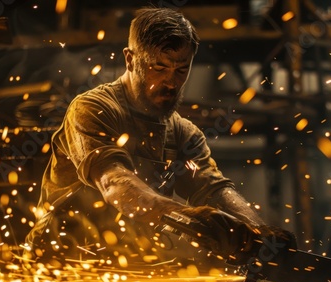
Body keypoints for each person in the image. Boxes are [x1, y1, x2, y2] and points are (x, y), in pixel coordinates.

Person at [23, 7, 295, 268]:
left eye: (180, 70)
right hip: (63, 261)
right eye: (159, 67)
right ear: (130, 59)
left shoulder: (183, 132)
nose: (171, 82)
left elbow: (213, 189)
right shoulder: (94, 109)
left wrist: (258, 229)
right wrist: (186, 214)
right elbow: (115, 184)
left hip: (129, 264)